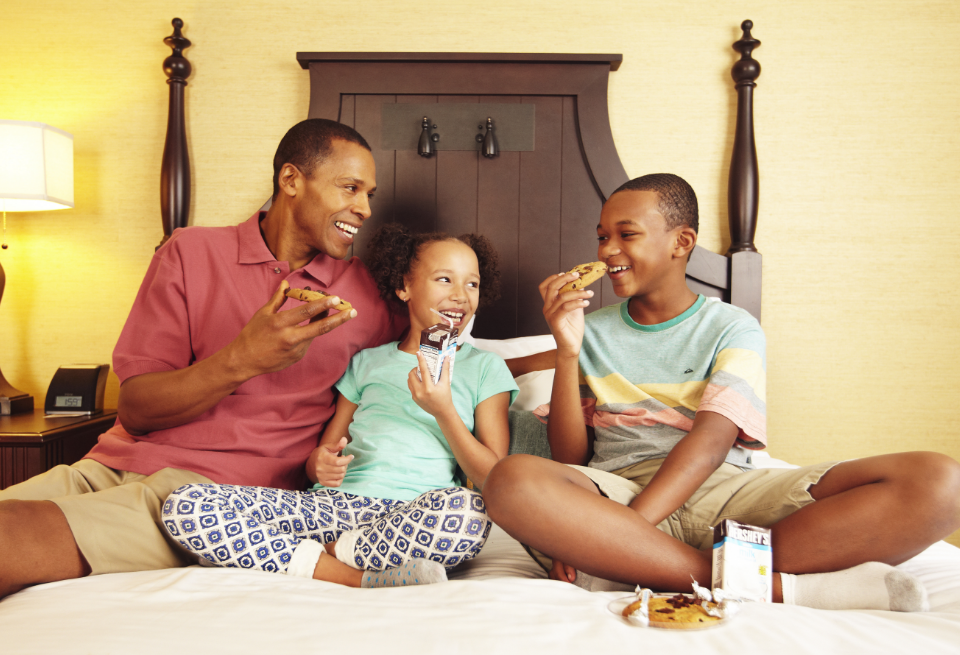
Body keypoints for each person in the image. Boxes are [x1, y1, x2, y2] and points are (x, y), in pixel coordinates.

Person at [483, 173, 960, 611]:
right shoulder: (590, 330)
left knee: (940, 481)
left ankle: (643, 565)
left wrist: (635, 532)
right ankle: (769, 585)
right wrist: (567, 352)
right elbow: (570, 455)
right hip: (619, 491)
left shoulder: (732, 327)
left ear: (681, 242)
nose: (608, 250)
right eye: (602, 237)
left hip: (728, 491)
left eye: (626, 235)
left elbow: (710, 445)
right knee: (510, 480)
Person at [0, 119, 406, 599]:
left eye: (369, 195)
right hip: (108, 466)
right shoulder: (189, 252)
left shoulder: (368, 295)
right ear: (292, 180)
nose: (363, 209)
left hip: (212, 499)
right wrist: (244, 358)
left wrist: (519, 371)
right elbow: (136, 409)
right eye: (350, 188)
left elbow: (453, 357)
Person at [161, 224, 517, 587]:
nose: (460, 295)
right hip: (333, 507)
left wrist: (442, 409)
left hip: (413, 514)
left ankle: (319, 555)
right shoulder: (369, 362)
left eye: (471, 284)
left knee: (470, 515)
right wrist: (320, 465)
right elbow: (323, 456)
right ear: (404, 287)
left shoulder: (484, 368)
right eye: (445, 279)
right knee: (185, 504)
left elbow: (494, 478)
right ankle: (355, 576)